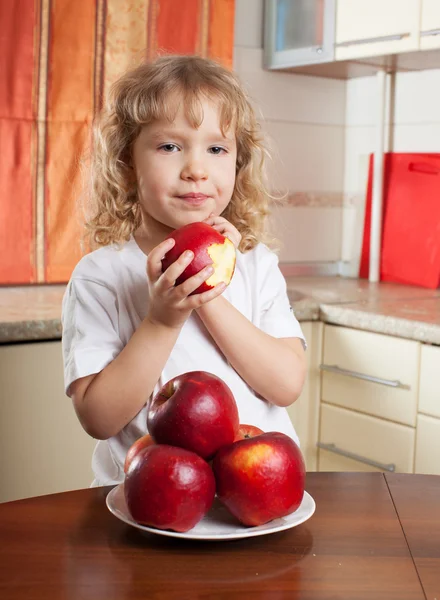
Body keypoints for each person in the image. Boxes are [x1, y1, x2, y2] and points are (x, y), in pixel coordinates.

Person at [61, 54, 307, 487]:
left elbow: (286, 385)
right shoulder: (100, 276)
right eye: (169, 146)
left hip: (256, 493)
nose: (196, 169)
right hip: (149, 501)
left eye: (216, 149)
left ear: (237, 164)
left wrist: (210, 294)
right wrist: (162, 319)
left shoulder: (255, 265)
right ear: (127, 164)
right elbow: (98, 418)